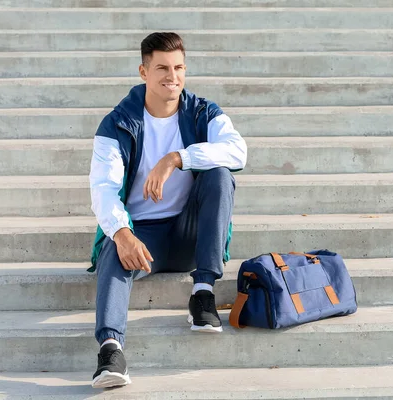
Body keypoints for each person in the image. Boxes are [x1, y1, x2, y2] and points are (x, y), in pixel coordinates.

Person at [87, 32, 247, 389]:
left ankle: (203, 291)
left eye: (178, 68)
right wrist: (123, 233)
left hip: (192, 234)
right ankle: (111, 351)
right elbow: (103, 189)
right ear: (143, 71)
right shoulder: (117, 124)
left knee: (220, 175)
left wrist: (177, 158)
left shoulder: (202, 112)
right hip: (145, 238)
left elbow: (239, 152)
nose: (171, 76)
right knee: (116, 243)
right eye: (161, 68)